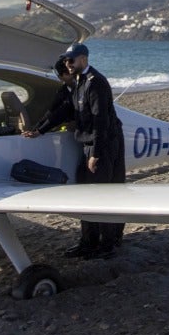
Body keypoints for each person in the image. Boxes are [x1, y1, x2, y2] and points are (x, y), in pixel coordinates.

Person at [23, 42, 125, 258]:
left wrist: (96, 153)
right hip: (90, 143)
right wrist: (39, 131)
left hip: (104, 143)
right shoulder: (79, 82)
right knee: (85, 192)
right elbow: (64, 110)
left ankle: (108, 245)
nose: (67, 64)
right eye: (66, 61)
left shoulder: (96, 82)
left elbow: (101, 120)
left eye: (71, 60)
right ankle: (88, 242)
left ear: (83, 59)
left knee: (102, 195)